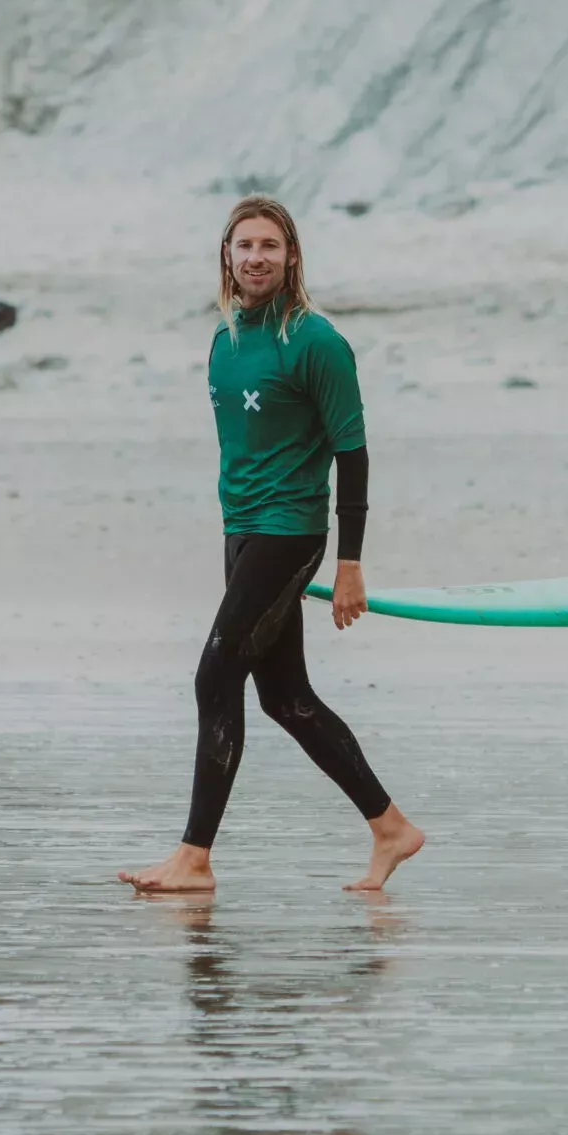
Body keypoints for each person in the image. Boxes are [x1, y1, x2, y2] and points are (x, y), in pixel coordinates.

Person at [120, 197, 424, 896]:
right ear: (227, 255)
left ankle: (194, 857)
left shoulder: (316, 341)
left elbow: (353, 453)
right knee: (286, 697)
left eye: (270, 245)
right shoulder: (225, 338)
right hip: (241, 529)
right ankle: (390, 827)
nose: (256, 257)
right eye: (244, 245)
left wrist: (349, 563)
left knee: (214, 674)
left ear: (291, 258)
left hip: (291, 531)